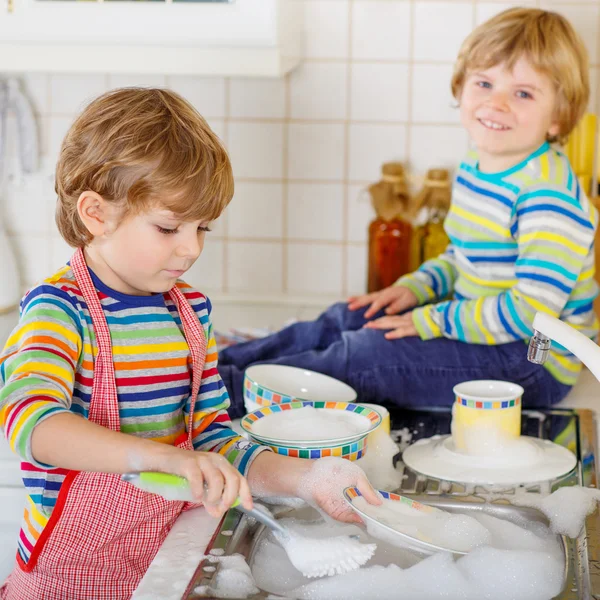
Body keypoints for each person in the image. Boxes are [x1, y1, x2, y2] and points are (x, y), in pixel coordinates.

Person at [0, 88, 380, 600]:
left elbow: (214, 444)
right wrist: (159, 459)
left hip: (168, 565)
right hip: (66, 582)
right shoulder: (60, 310)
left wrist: (306, 478)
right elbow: (31, 424)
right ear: (95, 213)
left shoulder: (189, 314)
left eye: (202, 227)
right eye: (168, 227)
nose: (191, 247)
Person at [218, 7, 599, 419]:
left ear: (558, 118)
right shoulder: (481, 164)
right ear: (461, 87)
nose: (497, 103)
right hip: (486, 332)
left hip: (530, 363)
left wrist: (428, 321)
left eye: (523, 93)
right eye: (485, 83)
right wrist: (413, 290)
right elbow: (464, 258)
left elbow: (530, 315)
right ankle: (210, 369)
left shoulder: (548, 197)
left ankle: (223, 398)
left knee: (367, 356)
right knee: (353, 316)